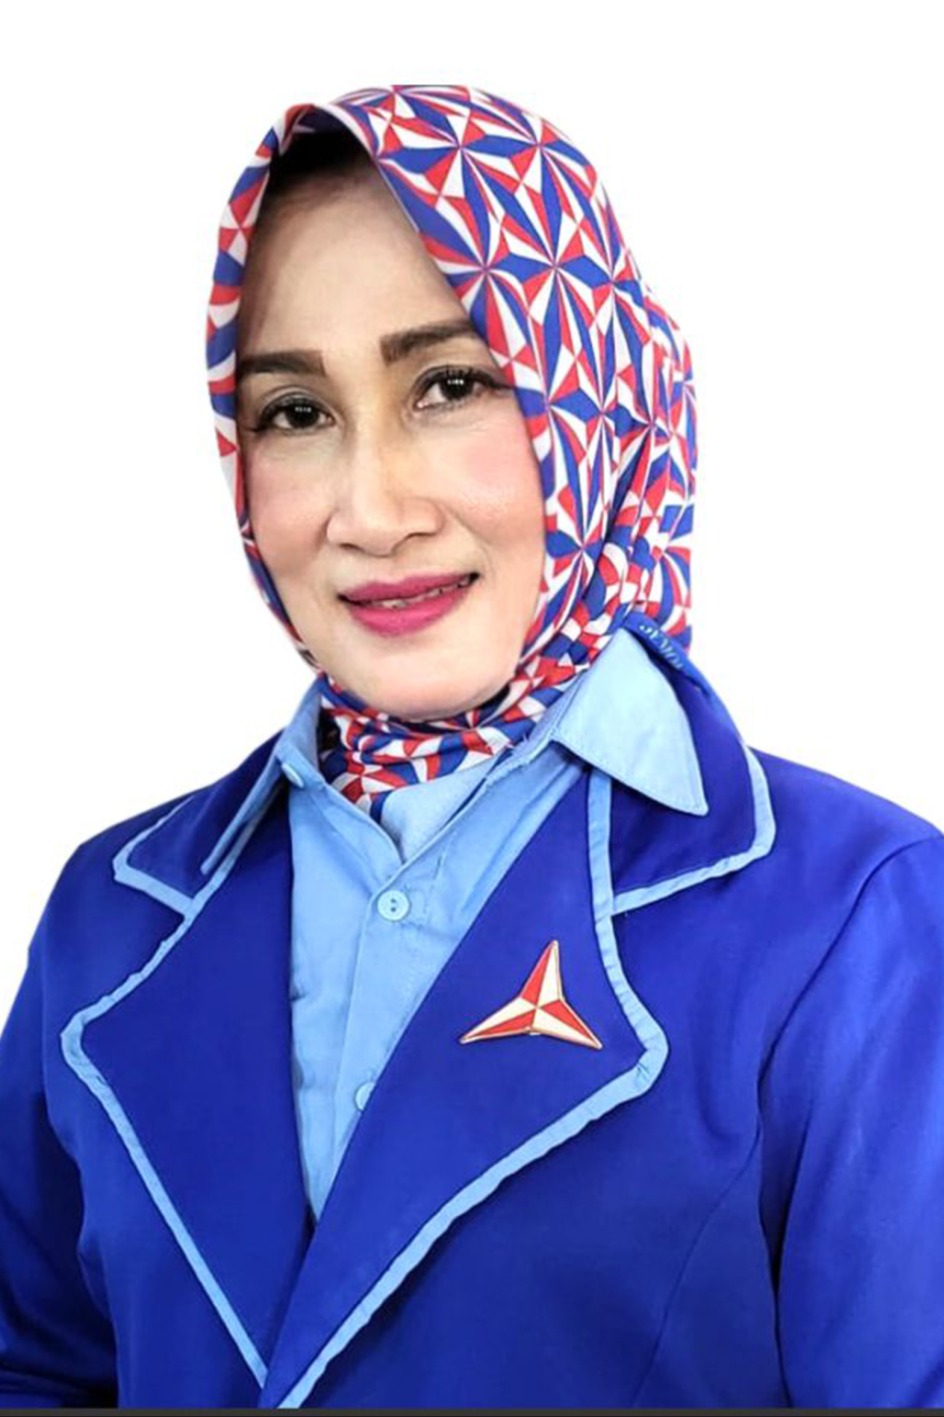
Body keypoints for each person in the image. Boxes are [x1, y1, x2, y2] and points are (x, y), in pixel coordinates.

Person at [1, 82, 943, 1412]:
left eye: (450, 385)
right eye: (296, 412)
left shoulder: (857, 917)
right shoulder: (112, 918)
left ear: (597, 397)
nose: (370, 509)